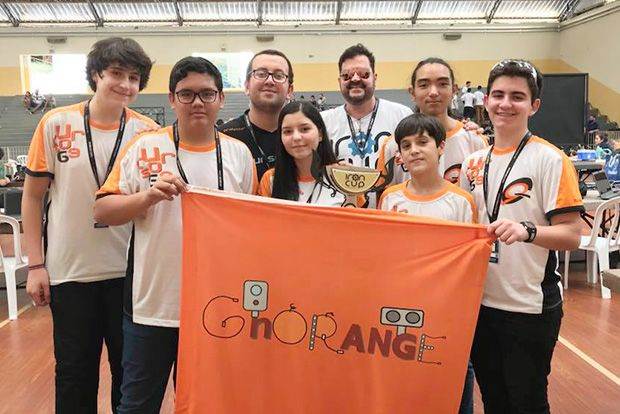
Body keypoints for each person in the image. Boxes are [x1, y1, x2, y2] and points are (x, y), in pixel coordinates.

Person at [94, 56, 257, 413]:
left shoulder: (239, 155)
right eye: (186, 94)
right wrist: (147, 197)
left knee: (204, 406)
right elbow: (102, 211)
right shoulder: (144, 147)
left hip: (215, 309)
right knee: (136, 406)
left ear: (221, 99)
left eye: (206, 94)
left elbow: (251, 232)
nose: (197, 102)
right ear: (171, 99)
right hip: (151, 307)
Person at [22, 37, 155, 414]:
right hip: (70, 273)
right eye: (116, 74)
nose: (125, 84)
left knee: (128, 376)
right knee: (74, 375)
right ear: (96, 74)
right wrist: (36, 265)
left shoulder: (146, 133)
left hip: (129, 274)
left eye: (134, 78)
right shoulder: (55, 123)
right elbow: (32, 198)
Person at [459, 59, 583, 414]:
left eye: (517, 96)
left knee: (527, 403)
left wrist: (527, 231)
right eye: (498, 95)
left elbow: (572, 234)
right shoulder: (473, 162)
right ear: (485, 101)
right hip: (481, 303)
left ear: (534, 105)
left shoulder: (551, 160)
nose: (505, 104)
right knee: (494, 401)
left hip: (529, 306)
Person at [378, 113, 476, 414]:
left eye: (422, 142)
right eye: (406, 146)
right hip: (401, 309)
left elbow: (469, 264)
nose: (414, 151)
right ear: (400, 155)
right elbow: (384, 255)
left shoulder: (461, 201)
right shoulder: (390, 198)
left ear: (441, 147)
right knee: (405, 383)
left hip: (446, 312)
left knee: (453, 378)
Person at [321, 43, 412, 207]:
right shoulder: (324, 122)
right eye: (347, 76)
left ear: (374, 77)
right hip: (342, 215)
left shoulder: (402, 115)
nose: (355, 79)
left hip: (391, 212)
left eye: (364, 74)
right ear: (339, 81)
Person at [377, 57, 487, 187]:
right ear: (412, 92)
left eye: (442, 84)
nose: (433, 92)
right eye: (424, 85)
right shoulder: (394, 145)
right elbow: (383, 196)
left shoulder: (475, 141)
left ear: (454, 90)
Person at [259, 100, 362, 207]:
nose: (296, 137)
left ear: (320, 134)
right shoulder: (270, 179)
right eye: (288, 131)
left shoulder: (346, 177)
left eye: (305, 129)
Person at [219, 49, 294, 180]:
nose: (270, 81)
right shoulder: (223, 137)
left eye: (279, 76)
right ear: (247, 86)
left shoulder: (303, 137)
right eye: (261, 74)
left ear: (289, 91)